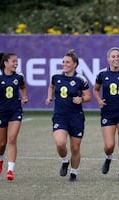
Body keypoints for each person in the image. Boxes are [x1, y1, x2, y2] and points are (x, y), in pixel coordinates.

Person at [45, 49, 91, 182]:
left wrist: (81, 99)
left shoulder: (80, 79)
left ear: (75, 64)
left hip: (76, 117)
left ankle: (74, 173)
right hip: (60, 116)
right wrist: (49, 97)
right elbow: (51, 87)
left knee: (75, 148)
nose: (64, 64)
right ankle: (65, 161)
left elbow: (88, 96)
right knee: (60, 143)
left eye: (68, 62)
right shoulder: (56, 77)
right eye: (63, 62)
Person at [0, 52, 28, 181]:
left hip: (16, 111)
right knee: (2, 143)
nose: (16, 64)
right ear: (5, 63)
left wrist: (24, 97)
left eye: (16, 61)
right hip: (1, 112)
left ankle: (10, 170)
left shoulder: (19, 76)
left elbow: (23, 87)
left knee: (12, 139)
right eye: (13, 61)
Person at [93, 47, 119, 182]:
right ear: (108, 59)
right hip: (108, 112)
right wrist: (99, 100)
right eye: (113, 56)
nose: (116, 59)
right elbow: (96, 90)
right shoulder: (102, 74)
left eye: (118, 56)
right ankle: (108, 158)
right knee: (109, 145)